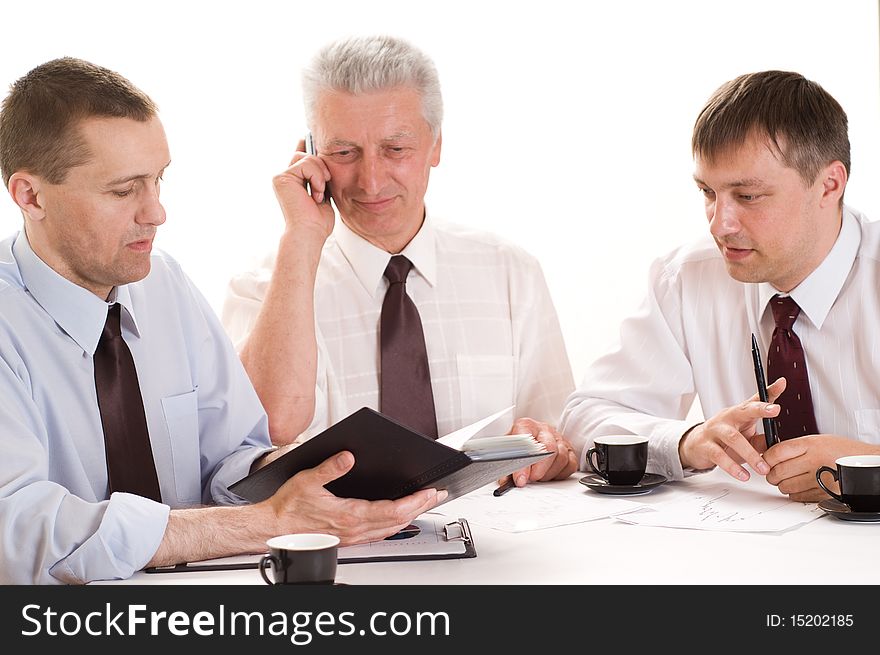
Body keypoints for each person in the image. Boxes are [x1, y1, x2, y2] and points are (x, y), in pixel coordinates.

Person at [0, 57, 444, 585]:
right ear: (30, 195)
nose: (156, 212)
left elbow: (231, 458)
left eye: (157, 181)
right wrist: (264, 523)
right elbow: (22, 529)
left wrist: (315, 477)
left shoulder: (164, 285)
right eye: (123, 191)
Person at [222, 35, 577, 487]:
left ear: (435, 146)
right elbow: (256, 442)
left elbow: (560, 441)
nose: (370, 181)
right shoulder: (261, 286)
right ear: (310, 151)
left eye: (396, 149)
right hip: (341, 550)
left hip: (491, 549)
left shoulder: (511, 273)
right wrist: (301, 240)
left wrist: (547, 448)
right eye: (343, 152)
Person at [561, 70, 880, 502]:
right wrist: (687, 442)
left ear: (829, 185)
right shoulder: (686, 277)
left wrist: (871, 465)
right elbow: (585, 417)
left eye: (748, 196)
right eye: (708, 192)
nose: (720, 224)